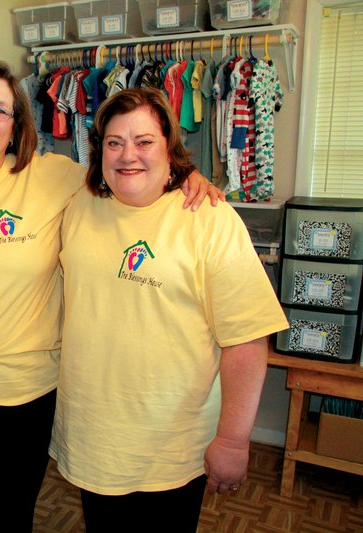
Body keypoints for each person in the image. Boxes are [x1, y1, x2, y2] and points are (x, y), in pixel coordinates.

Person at [0, 62, 223, 532]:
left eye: (1, 110)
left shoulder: (53, 177)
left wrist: (189, 176)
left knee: (13, 518)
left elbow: (128, 171)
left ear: (16, 126)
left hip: (26, 394)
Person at [51, 87, 289, 532]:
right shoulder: (79, 206)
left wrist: (234, 440)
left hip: (172, 445)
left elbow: (247, 338)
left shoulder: (210, 219)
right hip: (93, 435)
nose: (128, 155)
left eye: (144, 142)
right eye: (114, 142)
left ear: (169, 148)